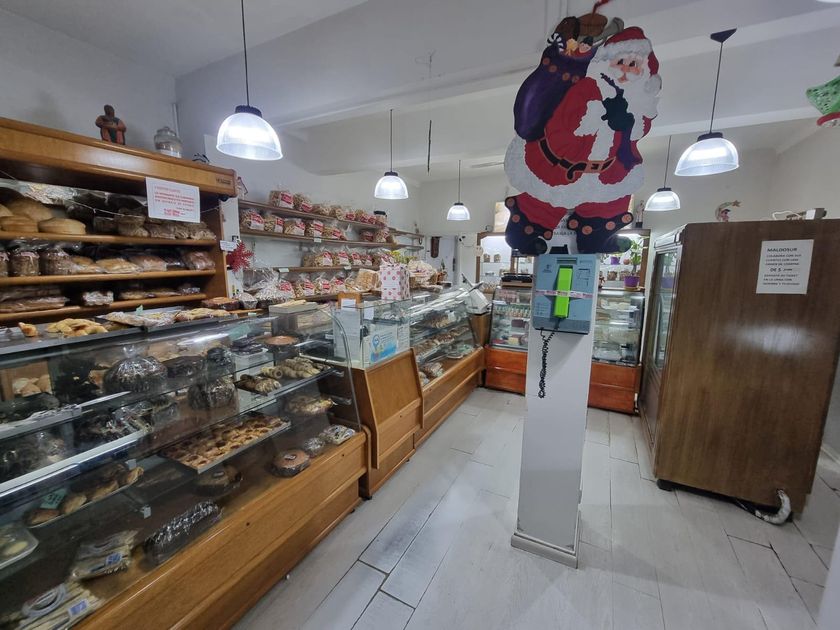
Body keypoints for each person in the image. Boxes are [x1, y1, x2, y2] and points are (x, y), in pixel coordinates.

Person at [504, 26, 661, 254]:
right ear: (607, 63)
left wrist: (625, 123)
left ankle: (596, 239)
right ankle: (523, 236)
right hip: (561, 167)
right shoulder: (587, 89)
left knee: (607, 208)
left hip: (605, 173)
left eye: (633, 64)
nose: (626, 70)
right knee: (542, 203)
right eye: (621, 62)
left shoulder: (638, 103)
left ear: (644, 71)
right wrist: (602, 116)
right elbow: (565, 124)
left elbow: (638, 131)